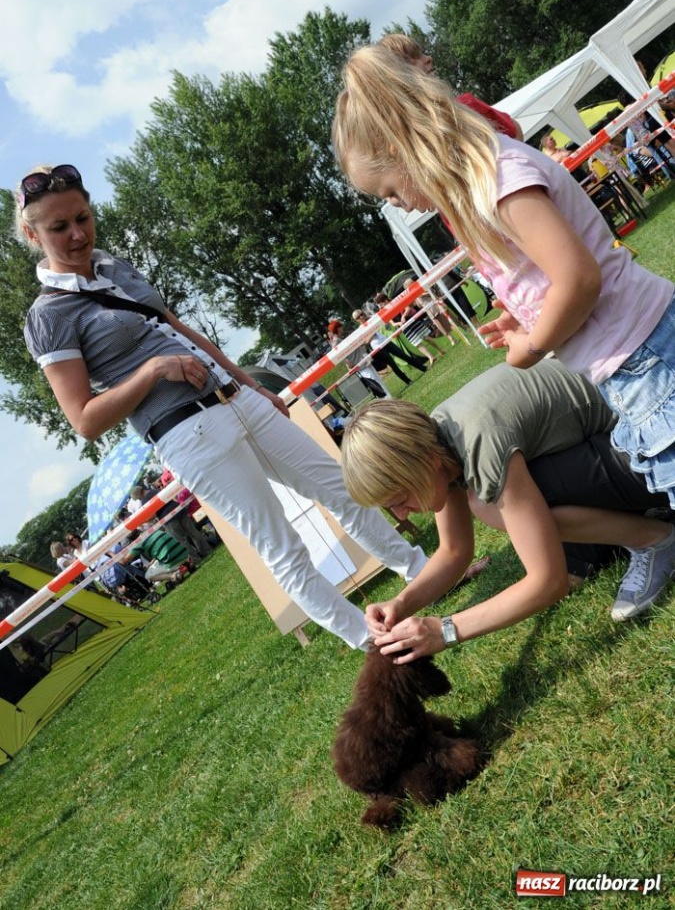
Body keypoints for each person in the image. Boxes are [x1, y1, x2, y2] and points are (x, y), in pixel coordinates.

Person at [19, 164, 428, 650]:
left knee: (342, 486)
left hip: (236, 400)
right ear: (32, 233)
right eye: (58, 227)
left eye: (82, 217)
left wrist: (250, 385)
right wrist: (151, 372)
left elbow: (182, 331)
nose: (77, 233)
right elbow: (84, 420)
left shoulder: (117, 268)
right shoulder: (47, 316)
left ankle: (424, 576)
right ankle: (375, 643)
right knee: (282, 545)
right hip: (185, 434)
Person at [332, 44, 675, 528]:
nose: (401, 205)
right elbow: (555, 274)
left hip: (645, 358)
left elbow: (578, 279)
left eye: (390, 191)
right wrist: (529, 315)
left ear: (401, 148)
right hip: (632, 360)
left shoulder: (495, 177)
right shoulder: (482, 185)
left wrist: (534, 346)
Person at [340, 361, 675, 663]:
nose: (402, 515)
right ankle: (616, 535)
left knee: (488, 505)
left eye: (399, 499)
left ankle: (654, 539)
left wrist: (444, 630)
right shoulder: (437, 437)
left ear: (427, 464)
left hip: (659, 450)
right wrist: (401, 604)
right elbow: (454, 551)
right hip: (629, 438)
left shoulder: (478, 443)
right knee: (493, 502)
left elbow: (548, 581)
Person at [378, 33, 524, 140]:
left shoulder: (402, 140)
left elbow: (513, 130)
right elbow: (515, 131)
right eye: (412, 59)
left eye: (421, 53)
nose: (428, 58)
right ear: (401, 76)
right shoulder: (465, 107)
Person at [351, 309, 426, 386]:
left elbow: (378, 317)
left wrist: (369, 318)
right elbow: (365, 342)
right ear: (356, 320)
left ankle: (423, 368)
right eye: (358, 317)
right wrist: (371, 334)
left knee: (403, 355)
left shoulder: (371, 320)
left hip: (386, 341)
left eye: (362, 314)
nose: (361, 317)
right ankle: (407, 381)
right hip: (378, 347)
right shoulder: (360, 330)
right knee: (393, 365)